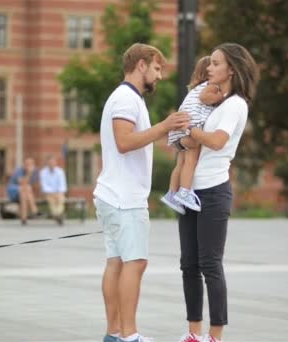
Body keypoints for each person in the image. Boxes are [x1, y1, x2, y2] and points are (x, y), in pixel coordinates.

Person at [94, 43, 190, 342]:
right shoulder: (126, 98)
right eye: (157, 68)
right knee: (135, 263)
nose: (159, 76)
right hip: (124, 199)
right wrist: (164, 126)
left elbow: (130, 141)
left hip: (114, 194)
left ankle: (114, 334)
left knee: (117, 263)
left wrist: (163, 131)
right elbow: (124, 142)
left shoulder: (125, 98)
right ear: (141, 65)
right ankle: (129, 335)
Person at [176, 43, 260, 342]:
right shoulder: (214, 102)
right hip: (191, 191)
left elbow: (216, 141)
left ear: (231, 69)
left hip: (213, 191)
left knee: (210, 264)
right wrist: (184, 138)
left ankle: (216, 335)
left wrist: (190, 130)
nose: (208, 68)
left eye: (215, 63)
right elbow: (188, 143)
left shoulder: (235, 104)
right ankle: (193, 333)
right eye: (209, 63)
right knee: (189, 264)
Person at [161, 56, 224, 214]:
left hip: (178, 130)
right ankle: (184, 193)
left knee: (180, 163)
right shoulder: (210, 86)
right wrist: (221, 98)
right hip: (190, 128)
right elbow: (205, 98)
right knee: (191, 161)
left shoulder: (193, 89)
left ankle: (171, 193)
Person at [6, 157, 40, 225]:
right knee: (26, 187)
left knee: (24, 193)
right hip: (13, 191)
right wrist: (29, 173)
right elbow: (22, 183)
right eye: (27, 164)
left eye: (31, 164)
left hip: (24, 193)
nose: (29, 166)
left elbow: (36, 185)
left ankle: (24, 218)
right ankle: (34, 209)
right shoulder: (19, 170)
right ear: (24, 164)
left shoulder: (35, 171)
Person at [39, 154, 67, 225]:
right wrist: (53, 193)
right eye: (50, 162)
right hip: (48, 194)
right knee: (51, 201)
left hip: (59, 193)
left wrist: (58, 193)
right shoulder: (43, 172)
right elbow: (44, 186)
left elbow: (62, 185)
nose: (51, 164)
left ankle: (57, 215)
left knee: (60, 200)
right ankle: (58, 215)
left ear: (55, 162)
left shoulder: (60, 171)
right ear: (47, 163)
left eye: (53, 162)